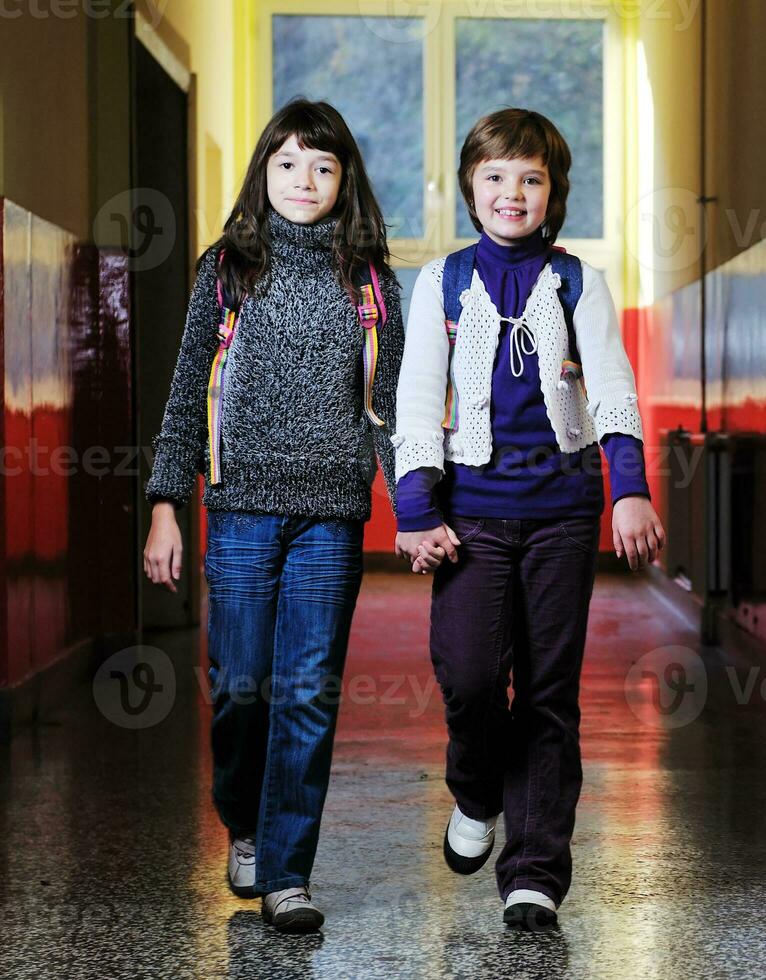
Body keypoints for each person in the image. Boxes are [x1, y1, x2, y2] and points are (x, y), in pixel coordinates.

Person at [392, 108, 664, 932]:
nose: (513, 193)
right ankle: (476, 793)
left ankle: (535, 869)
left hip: (561, 513)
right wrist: (414, 504)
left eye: (532, 178)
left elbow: (611, 385)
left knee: (547, 692)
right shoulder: (441, 281)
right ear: (471, 189)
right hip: (471, 513)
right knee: (471, 677)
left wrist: (630, 487)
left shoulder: (578, 280)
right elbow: (414, 397)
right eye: (496, 177)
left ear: (554, 192)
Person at [142, 99, 403, 934]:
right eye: (288, 163)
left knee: (308, 693)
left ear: (345, 183)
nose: (305, 180)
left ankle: (289, 873)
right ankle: (245, 821)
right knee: (242, 686)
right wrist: (164, 506)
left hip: (332, 515)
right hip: (242, 511)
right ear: (263, 173)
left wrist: (422, 508)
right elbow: (187, 394)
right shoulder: (228, 269)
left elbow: (390, 409)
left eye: (324, 167)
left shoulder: (370, 283)